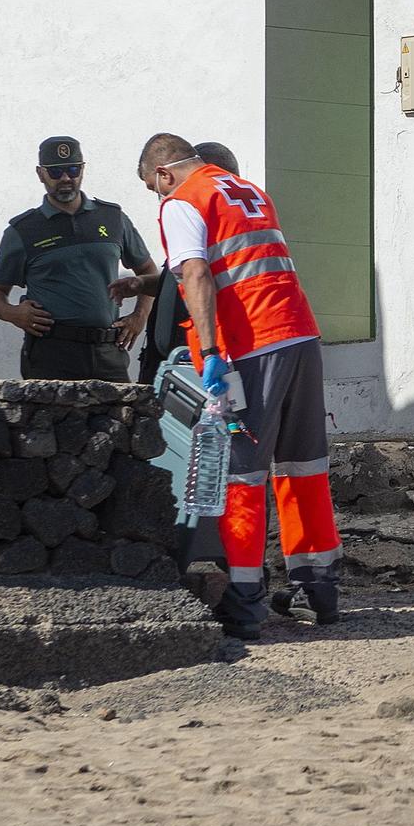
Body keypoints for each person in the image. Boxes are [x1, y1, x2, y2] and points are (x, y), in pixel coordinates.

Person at [138, 131, 342, 637]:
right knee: (303, 466)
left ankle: (245, 601)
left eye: (153, 188)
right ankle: (318, 592)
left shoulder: (183, 200)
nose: (157, 199)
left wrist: (209, 353)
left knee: (242, 474)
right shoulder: (247, 192)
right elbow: (245, 264)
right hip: (300, 336)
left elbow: (197, 275)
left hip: (253, 346)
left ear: (164, 174)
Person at [0, 135, 157, 382]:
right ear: (40, 174)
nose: (66, 179)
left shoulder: (112, 218)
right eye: (55, 172)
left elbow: (149, 272)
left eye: (72, 170)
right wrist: (13, 314)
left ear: (83, 170)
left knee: (119, 419)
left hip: (108, 350)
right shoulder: (23, 230)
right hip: (52, 353)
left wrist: (139, 317)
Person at [121, 140, 240, 384]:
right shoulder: (195, 225)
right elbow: (178, 282)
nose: (166, 194)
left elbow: (199, 278)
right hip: (162, 362)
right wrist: (142, 284)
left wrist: (209, 353)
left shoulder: (226, 233)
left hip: (196, 365)